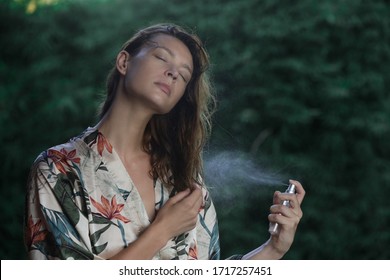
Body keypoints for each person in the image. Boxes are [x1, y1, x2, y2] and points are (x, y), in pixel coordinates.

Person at [24, 23, 305, 260]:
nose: (173, 73)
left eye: (183, 75)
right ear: (124, 62)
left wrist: (273, 248)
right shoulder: (58, 169)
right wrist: (163, 230)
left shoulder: (184, 180)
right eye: (161, 58)